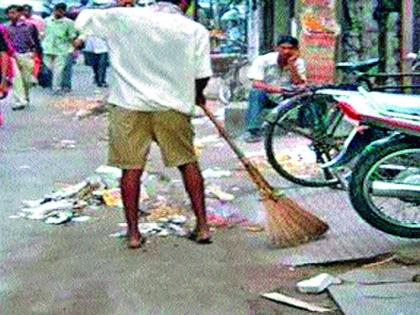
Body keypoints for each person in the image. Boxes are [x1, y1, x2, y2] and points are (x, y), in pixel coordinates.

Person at [74, 0, 213, 249]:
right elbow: (202, 75)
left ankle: (133, 234)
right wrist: (196, 94)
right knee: (187, 162)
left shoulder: (125, 18)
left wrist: (119, 6)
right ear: (185, 3)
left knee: (131, 169)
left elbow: (83, 18)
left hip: (128, 105)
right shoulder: (194, 30)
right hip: (172, 106)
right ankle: (203, 226)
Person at [243, 35, 307, 143]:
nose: (286, 51)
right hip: (268, 97)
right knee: (256, 93)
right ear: (277, 48)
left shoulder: (298, 62)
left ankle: (305, 126)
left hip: (288, 98)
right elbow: (256, 83)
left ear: (296, 50)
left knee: (309, 93)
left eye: (290, 48)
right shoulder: (263, 60)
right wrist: (278, 90)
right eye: (283, 48)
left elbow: (299, 83)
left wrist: (291, 65)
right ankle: (252, 131)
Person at [6, 5, 42, 110]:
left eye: (14, 12)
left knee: (26, 80)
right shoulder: (5, 27)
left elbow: (36, 42)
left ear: (20, 13)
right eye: (10, 13)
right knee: (16, 78)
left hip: (27, 55)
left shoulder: (30, 26)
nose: (11, 15)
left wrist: (39, 56)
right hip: (12, 56)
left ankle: (25, 97)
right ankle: (20, 101)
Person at [42, 3, 78, 95]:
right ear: (53, 10)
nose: (58, 13)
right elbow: (43, 34)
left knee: (58, 70)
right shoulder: (47, 21)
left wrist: (74, 49)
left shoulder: (69, 23)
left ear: (64, 12)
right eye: (56, 10)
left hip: (62, 50)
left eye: (60, 11)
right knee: (48, 68)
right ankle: (54, 85)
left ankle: (56, 89)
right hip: (47, 49)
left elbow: (72, 37)